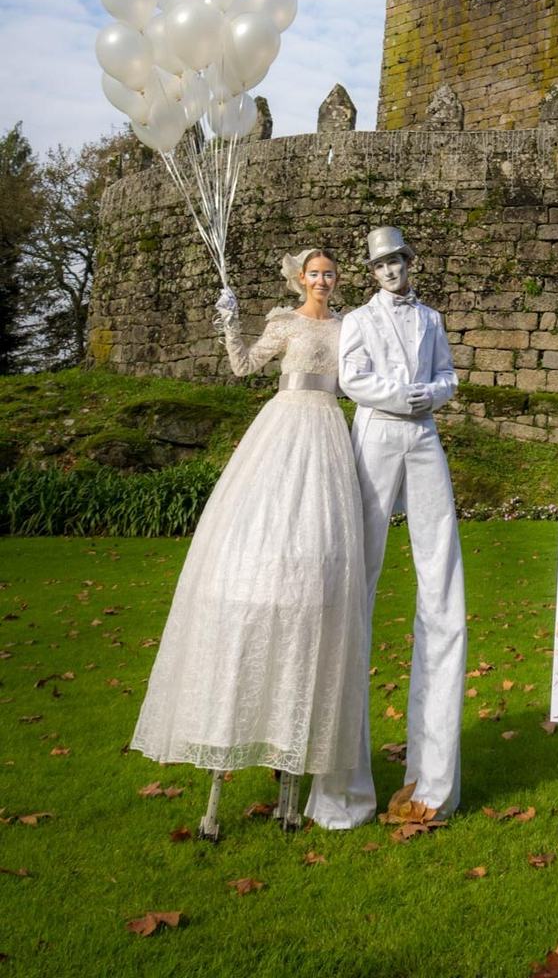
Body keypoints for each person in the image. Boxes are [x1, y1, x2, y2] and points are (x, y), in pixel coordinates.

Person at [131, 249, 366, 839]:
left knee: (319, 569)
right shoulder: (283, 324)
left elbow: (363, 382)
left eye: (330, 273)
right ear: (300, 278)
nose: (322, 280)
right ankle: (220, 776)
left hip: (330, 436)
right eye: (314, 273)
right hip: (284, 429)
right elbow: (241, 366)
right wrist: (229, 319)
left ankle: (292, 781)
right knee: (260, 544)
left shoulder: (349, 326)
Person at [306, 226, 464, 830]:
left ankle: (436, 782)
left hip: (423, 437)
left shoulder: (430, 318)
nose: (390, 271)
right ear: (371, 273)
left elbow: (448, 375)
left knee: (442, 580)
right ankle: (346, 787)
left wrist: (433, 394)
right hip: (374, 434)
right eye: (380, 264)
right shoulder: (360, 321)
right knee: (357, 584)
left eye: (397, 261)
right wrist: (405, 395)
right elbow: (354, 379)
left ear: (409, 262)